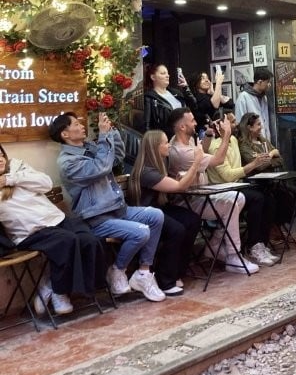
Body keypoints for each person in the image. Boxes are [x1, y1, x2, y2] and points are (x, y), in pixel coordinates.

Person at [49, 111, 166, 302]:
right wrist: (103, 137)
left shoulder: (90, 147)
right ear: (65, 134)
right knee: (141, 232)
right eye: (76, 124)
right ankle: (117, 270)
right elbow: (101, 167)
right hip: (97, 218)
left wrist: (112, 132)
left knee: (156, 216)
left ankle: (143, 273)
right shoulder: (68, 162)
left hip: (118, 209)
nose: (81, 126)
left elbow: (117, 157)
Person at [0, 143, 107, 316]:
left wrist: (10, 179)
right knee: (67, 241)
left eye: (1, 154)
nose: (0, 159)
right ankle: (59, 291)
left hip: (56, 219)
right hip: (30, 233)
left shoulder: (17, 167)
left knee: (90, 239)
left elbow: (46, 184)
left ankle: (51, 284)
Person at [167, 108, 259, 274]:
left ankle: (215, 244)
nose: (196, 123)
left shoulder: (181, 139)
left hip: (201, 193)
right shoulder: (182, 152)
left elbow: (200, 150)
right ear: (182, 126)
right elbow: (218, 160)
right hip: (189, 200)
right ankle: (233, 255)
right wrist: (226, 135)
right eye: (192, 120)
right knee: (231, 202)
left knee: (240, 198)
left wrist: (209, 135)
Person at [127, 130, 204, 295]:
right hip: (146, 214)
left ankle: (177, 270)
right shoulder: (146, 172)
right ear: (155, 147)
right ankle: (165, 280)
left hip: (159, 209)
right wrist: (196, 162)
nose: (168, 145)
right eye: (165, 143)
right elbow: (179, 187)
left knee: (192, 220)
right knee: (177, 230)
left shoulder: (159, 165)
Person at [205, 111, 280, 268]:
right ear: (220, 125)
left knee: (270, 198)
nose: (235, 125)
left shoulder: (233, 139)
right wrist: (253, 164)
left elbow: (276, 157)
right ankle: (253, 244)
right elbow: (227, 176)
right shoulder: (215, 146)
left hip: (239, 183)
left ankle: (261, 243)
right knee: (257, 198)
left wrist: (258, 161)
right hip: (223, 188)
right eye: (231, 122)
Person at [237, 112, 296, 226]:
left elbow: (280, 159)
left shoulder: (263, 141)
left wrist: (267, 159)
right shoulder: (244, 145)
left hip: (270, 180)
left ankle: (280, 224)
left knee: (295, 193)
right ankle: (274, 227)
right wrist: (271, 154)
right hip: (255, 183)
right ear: (249, 127)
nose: (261, 127)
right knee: (276, 198)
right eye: (258, 124)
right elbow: (258, 166)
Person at [143, 63, 197, 136]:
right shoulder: (150, 97)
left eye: (167, 73)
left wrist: (186, 87)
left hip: (186, 135)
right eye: (163, 73)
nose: (167, 76)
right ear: (153, 77)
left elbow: (194, 105)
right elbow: (147, 125)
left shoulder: (176, 93)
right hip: (167, 138)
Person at [233, 67, 274, 142]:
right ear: (260, 82)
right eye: (267, 82)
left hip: (264, 141)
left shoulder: (264, 97)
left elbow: (265, 122)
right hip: (251, 142)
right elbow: (240, 123)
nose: (269, 85)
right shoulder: (243, 97)